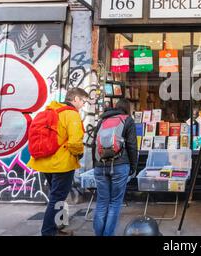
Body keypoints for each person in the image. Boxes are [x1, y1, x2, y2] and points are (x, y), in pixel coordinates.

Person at [28, 87, 89, 236]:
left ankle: (57, 227)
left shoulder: (50, 110)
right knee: (57, 198)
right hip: (61, 164)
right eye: (83, 101)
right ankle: (48, 232)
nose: (83, 105)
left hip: (44, 162)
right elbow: (75, 142)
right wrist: (79, 154)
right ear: (75, 99)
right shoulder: (71, 115)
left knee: (56, 196)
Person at [91, 99, 138, 236]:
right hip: (120, 165)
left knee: (101, 202)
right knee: (115, 203)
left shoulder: (102, 120)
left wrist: (96, 164)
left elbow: (94, 144)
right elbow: (132, 146)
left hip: (100, 166)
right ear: (127, 108)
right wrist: (133, 167)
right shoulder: (127, 120)